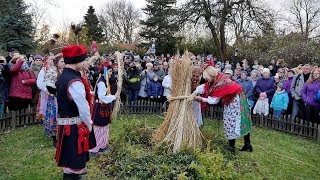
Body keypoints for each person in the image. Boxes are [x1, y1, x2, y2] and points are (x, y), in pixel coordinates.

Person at [55, 45, 93, 179]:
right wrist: (89, 124)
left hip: (65, 126)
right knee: (74, 165)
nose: (84, 64)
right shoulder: (74, 82)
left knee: (69, 166)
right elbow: (83, 108)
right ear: (77, 61)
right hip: (73, 129)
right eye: (83, 61)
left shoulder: (62, 77)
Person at [194, 66, 252, 153]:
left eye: (207, 77)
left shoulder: (220, 84)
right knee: (239, 120)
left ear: (211, 76)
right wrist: (195, 92)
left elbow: (214, 100)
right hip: (236, 99)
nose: (206, 79)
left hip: (236, 102)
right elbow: (205, 86)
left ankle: (232, 148)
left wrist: (201, 99)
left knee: (231, 121)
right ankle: (247, 144)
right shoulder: (217, 78)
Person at [89, 62, 120, 156]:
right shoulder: (102, 82)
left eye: (111, 71)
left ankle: (103, 145)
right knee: (98, 127)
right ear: (105, 71)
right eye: (110, 71)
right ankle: (94, 149)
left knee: (105, 127)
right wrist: (114, 97)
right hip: (100, 108)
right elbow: (102, 97)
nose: (111, 73)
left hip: (104, 107)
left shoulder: (105, 81)